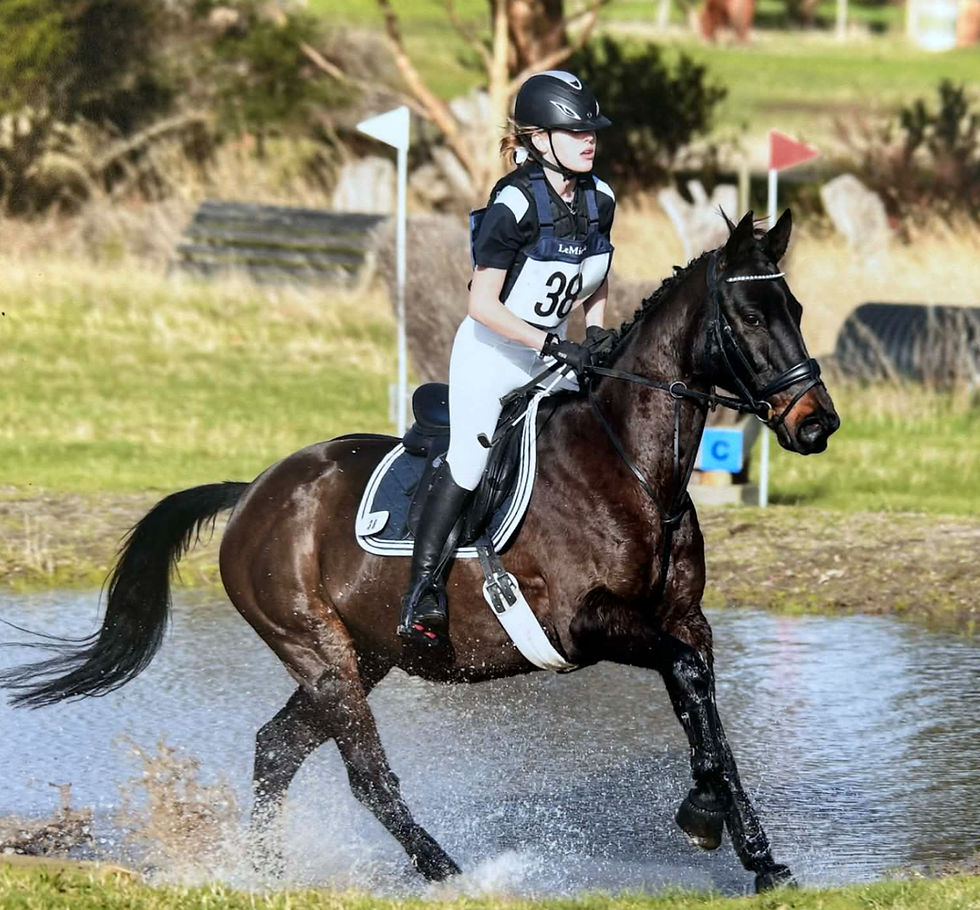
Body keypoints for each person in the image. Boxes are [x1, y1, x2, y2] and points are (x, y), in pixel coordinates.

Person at [398, 70, 617, 648]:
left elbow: (593, 283)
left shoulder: (601, 199)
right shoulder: (513, 203)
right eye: (575, 132)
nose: (589, 140)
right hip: (492, 354)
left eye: (591, 130)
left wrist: (594, 334)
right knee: (470, 462)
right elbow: (481, 305)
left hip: (554, 357)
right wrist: (550, 343)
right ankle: (422, 591)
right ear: (540, 139)